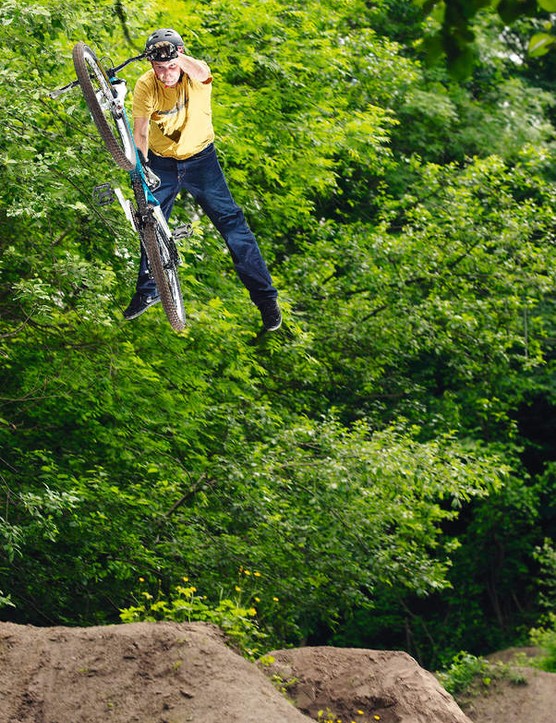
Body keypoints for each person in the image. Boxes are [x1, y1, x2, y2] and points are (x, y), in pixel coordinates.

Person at [123, 28, 282, 331]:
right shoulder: (145, 85)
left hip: (201, 161)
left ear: (180, 59)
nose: (166, 74)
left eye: (170, 67)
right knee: (148, 223)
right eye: (159, 68)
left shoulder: (195, 75)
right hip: (162, 162)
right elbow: (140, 130)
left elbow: (199, 69)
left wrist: (176, 57)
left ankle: (265, 300)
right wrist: (139, 166)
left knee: (233, 227)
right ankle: (148, 292)